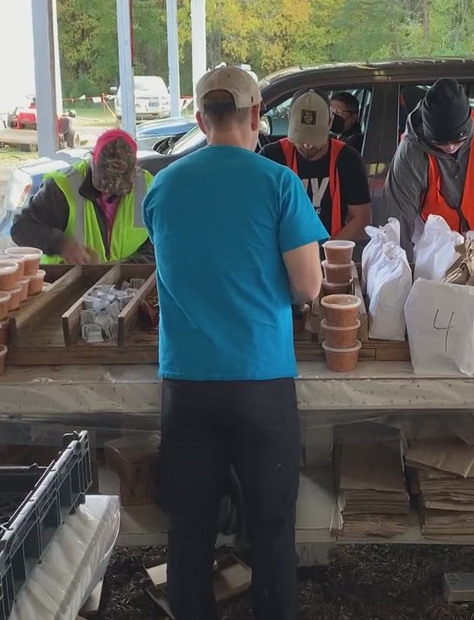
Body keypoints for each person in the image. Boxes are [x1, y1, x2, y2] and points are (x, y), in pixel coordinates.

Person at [144, 65, 325, 620]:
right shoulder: (278, 183)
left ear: (200, 120)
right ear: (256, 117)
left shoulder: (163, 185)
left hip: (187, 383)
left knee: (189, 533)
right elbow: (308, 286)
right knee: (271, 534)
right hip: (260, 381)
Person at [381, 78, 474, 249]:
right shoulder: (411, 152)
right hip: (433, 251)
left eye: (458, 141)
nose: (450, 148)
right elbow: (397, 220)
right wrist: (403, 261)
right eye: (439, 143)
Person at [11, 128, 154, 264]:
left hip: (130, 277)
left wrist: (127, 267)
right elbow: (21, 228)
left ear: (134, 169)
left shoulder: (148, 187)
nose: (108, 191)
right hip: (67, 277)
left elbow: (157, 242)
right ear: (91, 160)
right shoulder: (63, 187)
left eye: (119, 185)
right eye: (103, 181)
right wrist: (61, 245)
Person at [261, 90, 372, 240]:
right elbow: (257, 215)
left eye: (314, 137)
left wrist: (330, 249)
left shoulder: (347, 159)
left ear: (330, 122)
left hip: (331, 247)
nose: (307, 145)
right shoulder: (271, 157)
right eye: (301, 137)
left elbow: (361, 218)